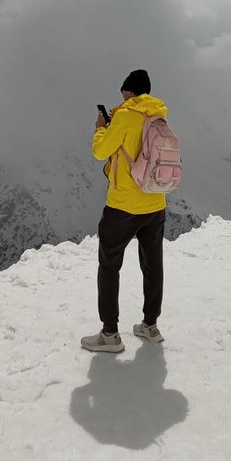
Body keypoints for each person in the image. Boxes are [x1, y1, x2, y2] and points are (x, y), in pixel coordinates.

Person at [81, 69, 168, 353]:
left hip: (123, 206)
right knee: (153, 265)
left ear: (129, 91)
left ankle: (110, 334)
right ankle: (150, 326)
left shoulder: (127, 116)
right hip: (155, 202)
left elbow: (101, 151)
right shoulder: (158, 116)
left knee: (109, 266)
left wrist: (101, 128)